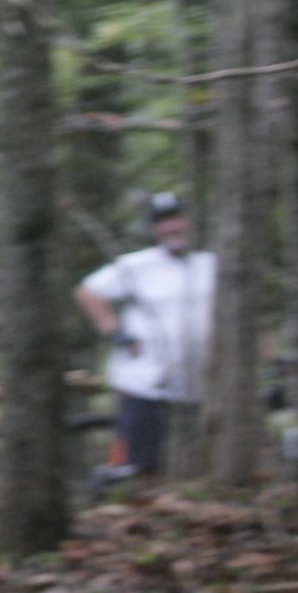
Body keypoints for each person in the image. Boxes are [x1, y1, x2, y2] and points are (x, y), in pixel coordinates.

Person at [75, 192, 214, 481]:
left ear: (187, 220)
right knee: (140, 464)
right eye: (162, 221)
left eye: (175, 218)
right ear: (154, 228)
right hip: (145, 381)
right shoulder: (136, 266)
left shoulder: (210, 264)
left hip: (202, 383)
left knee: (200, 462)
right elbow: (88, 291)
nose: (171, 227)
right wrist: (114, 329)